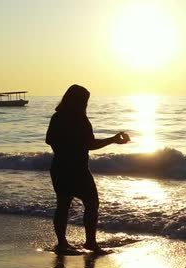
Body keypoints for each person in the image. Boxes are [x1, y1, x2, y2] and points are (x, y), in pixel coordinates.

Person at [46, 84, 130, 252]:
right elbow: (90, 144)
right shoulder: (80, 120)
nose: (85, 104)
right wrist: (112, 140)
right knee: (92, 203)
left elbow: (49, 140)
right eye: (84, 101)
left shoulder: (58, 117)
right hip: (77, 169)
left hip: (59, 167)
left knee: (63, 205)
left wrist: (64, 146)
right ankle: (90, 242)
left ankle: (62, 242)